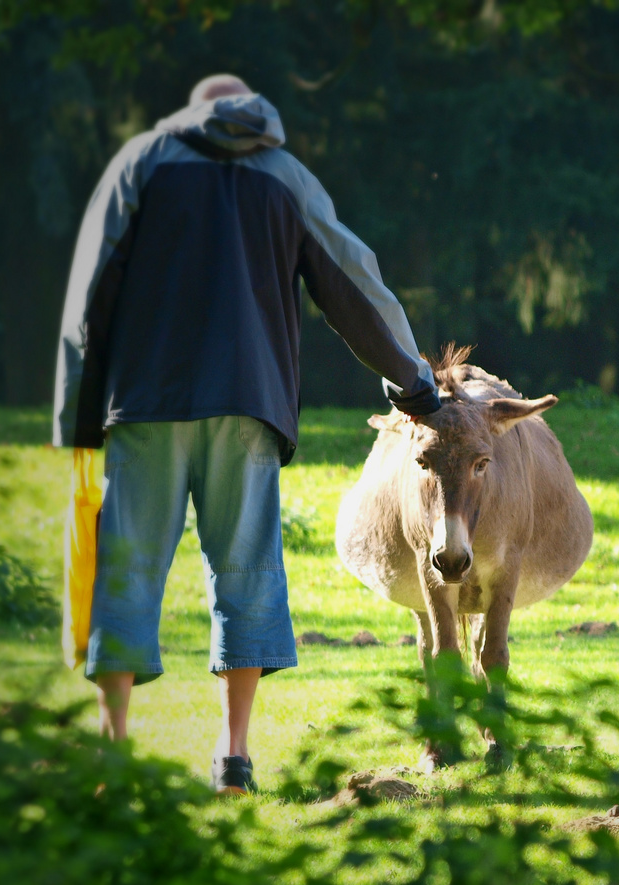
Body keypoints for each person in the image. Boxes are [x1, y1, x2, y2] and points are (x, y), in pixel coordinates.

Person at [53, 73, 441, 794]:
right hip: (247, 406)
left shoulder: (142, 161)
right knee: (246, 574)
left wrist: (77, 419)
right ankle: (234, 756)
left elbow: (91, 291)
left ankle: (113, 749)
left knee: (128, 571)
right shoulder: (285, 175)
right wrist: (412, 382)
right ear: (257, 113)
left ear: (194, 108)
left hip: (145, 404)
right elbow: (352, 282)